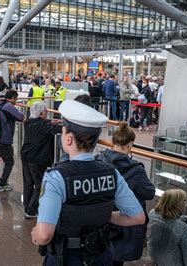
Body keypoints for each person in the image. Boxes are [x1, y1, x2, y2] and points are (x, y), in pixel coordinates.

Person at [31, 100, 145, 265]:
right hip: (101, 256)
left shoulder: (56, 177)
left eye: (63, 132)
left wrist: (36, 234)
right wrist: (105, 216)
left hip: (67, 257)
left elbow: (44, 235)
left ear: (69, 139)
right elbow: (137, 217)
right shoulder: (112, 173)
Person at [96, 122, 155, 265]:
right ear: (130, 145)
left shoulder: (99, 160)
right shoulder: (135, 170)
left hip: (100, 218)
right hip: (123, 225)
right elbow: (149, 193)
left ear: (113, 142)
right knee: (116, 260)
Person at [21, 102, 62, 219]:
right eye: (46, 113)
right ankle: (32, 210)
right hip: (38, 159)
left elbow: (41, 123)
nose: (47, 115)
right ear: (40, 114)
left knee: (28, 183)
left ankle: (27, 206)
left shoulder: (27, 123)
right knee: (40, 185)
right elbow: (59, 129)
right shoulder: (44, 125)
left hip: (26, 156)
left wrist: (50, 122)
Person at [148, 189, 187, 266]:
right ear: (178, 205)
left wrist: (183, 218)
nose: (186, 204)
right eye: (184, 201)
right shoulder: (184, 228)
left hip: (155, 257)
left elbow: (167, 221)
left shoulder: (152, 213)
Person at [0, 90, 24, 192]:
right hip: (3, 140)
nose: (16, 101)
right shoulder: (8, 106)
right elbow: (21, 117)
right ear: (13, 97)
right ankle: (2, 183)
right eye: (16, 99)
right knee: (9, 162)